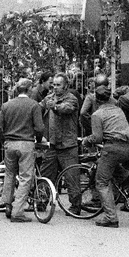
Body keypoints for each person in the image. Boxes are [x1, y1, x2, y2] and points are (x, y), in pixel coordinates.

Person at [0, 78, 44, 223]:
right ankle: (18, 211)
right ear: (29, 89)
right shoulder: (34, 105)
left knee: (9, 174)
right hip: (26, 144)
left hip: (10, 144)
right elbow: (40, 128)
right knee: (25, 177)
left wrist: (4, 140)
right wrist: (38, 140)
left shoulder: (7, 105)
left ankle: (7, 205)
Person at [82, 86, 129, 228]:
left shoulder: (97, 114)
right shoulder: (118, 110)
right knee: (107, 163)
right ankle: (126, 177)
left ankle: (111, 217)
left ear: (96, 100)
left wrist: (87, 140)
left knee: (101, 182)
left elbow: (97, 138)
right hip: (128, 148)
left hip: (113, 148)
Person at [39, 73, 81, 214]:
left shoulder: (71, 98)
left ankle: (75, 206)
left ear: (66, 86)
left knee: (72, 177)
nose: (55, 88)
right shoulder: (49, 98)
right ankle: (41, 202)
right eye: (54, 85)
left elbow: (67, 108)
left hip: (68, 145)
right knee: (46, 174)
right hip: (52, 144)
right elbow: (38, 108)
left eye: (58, 85)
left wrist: (55, 107)